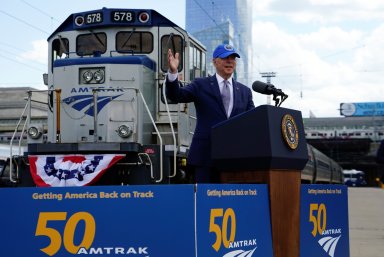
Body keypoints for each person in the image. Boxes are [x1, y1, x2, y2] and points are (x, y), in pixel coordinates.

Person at [165, 44, 255, 183]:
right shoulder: (201, 84)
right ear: (214, 62)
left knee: (233, 199)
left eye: (233, 58)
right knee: (206, 199)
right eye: (225, 58)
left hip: (236, 158)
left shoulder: (244, 91)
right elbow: (176, 96)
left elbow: (253, 120)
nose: (230, 61)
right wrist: (173, 73)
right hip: (206, 156)